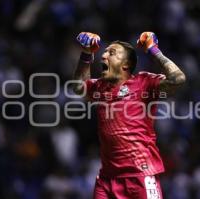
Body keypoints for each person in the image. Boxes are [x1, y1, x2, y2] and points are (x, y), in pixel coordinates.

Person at [73, 31, 186, 199]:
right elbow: (79, 87)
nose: (103, 55)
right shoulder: (100, 87)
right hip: (107, 179)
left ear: (126, 65)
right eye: (104, 52)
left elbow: (178, 79)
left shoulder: (144, 83)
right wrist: (86, 53)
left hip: (140, 175)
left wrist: (154, 50)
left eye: (111, 53)